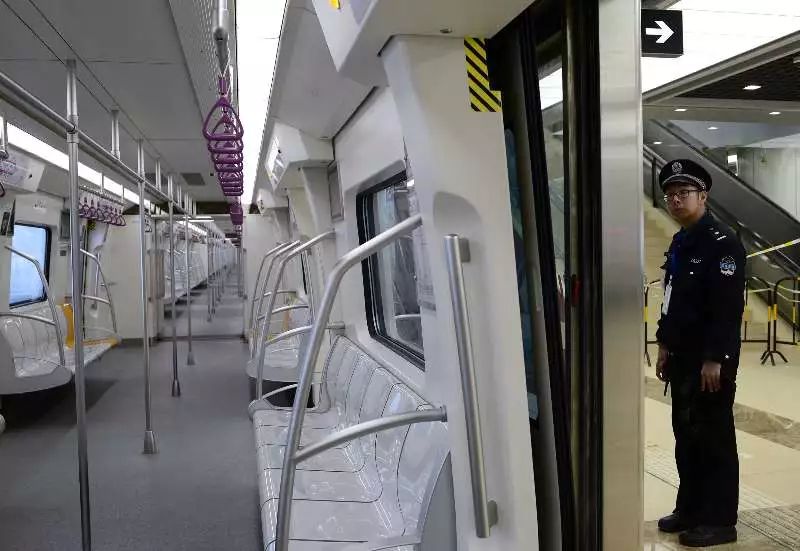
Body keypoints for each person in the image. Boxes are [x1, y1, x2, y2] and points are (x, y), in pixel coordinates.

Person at [655, 159, 745, 547]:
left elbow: (727, 309)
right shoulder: (681, 240)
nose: (676, 200)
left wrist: (715, 359)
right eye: (670, 195)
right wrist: (663, 344)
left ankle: (720, 520)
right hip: (681, 357)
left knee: (714, 438)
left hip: (709, 362)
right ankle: (690, 508)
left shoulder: (723, 243)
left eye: (684, 193)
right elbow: (671, 299)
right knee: (686, 435)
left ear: (702, 196)